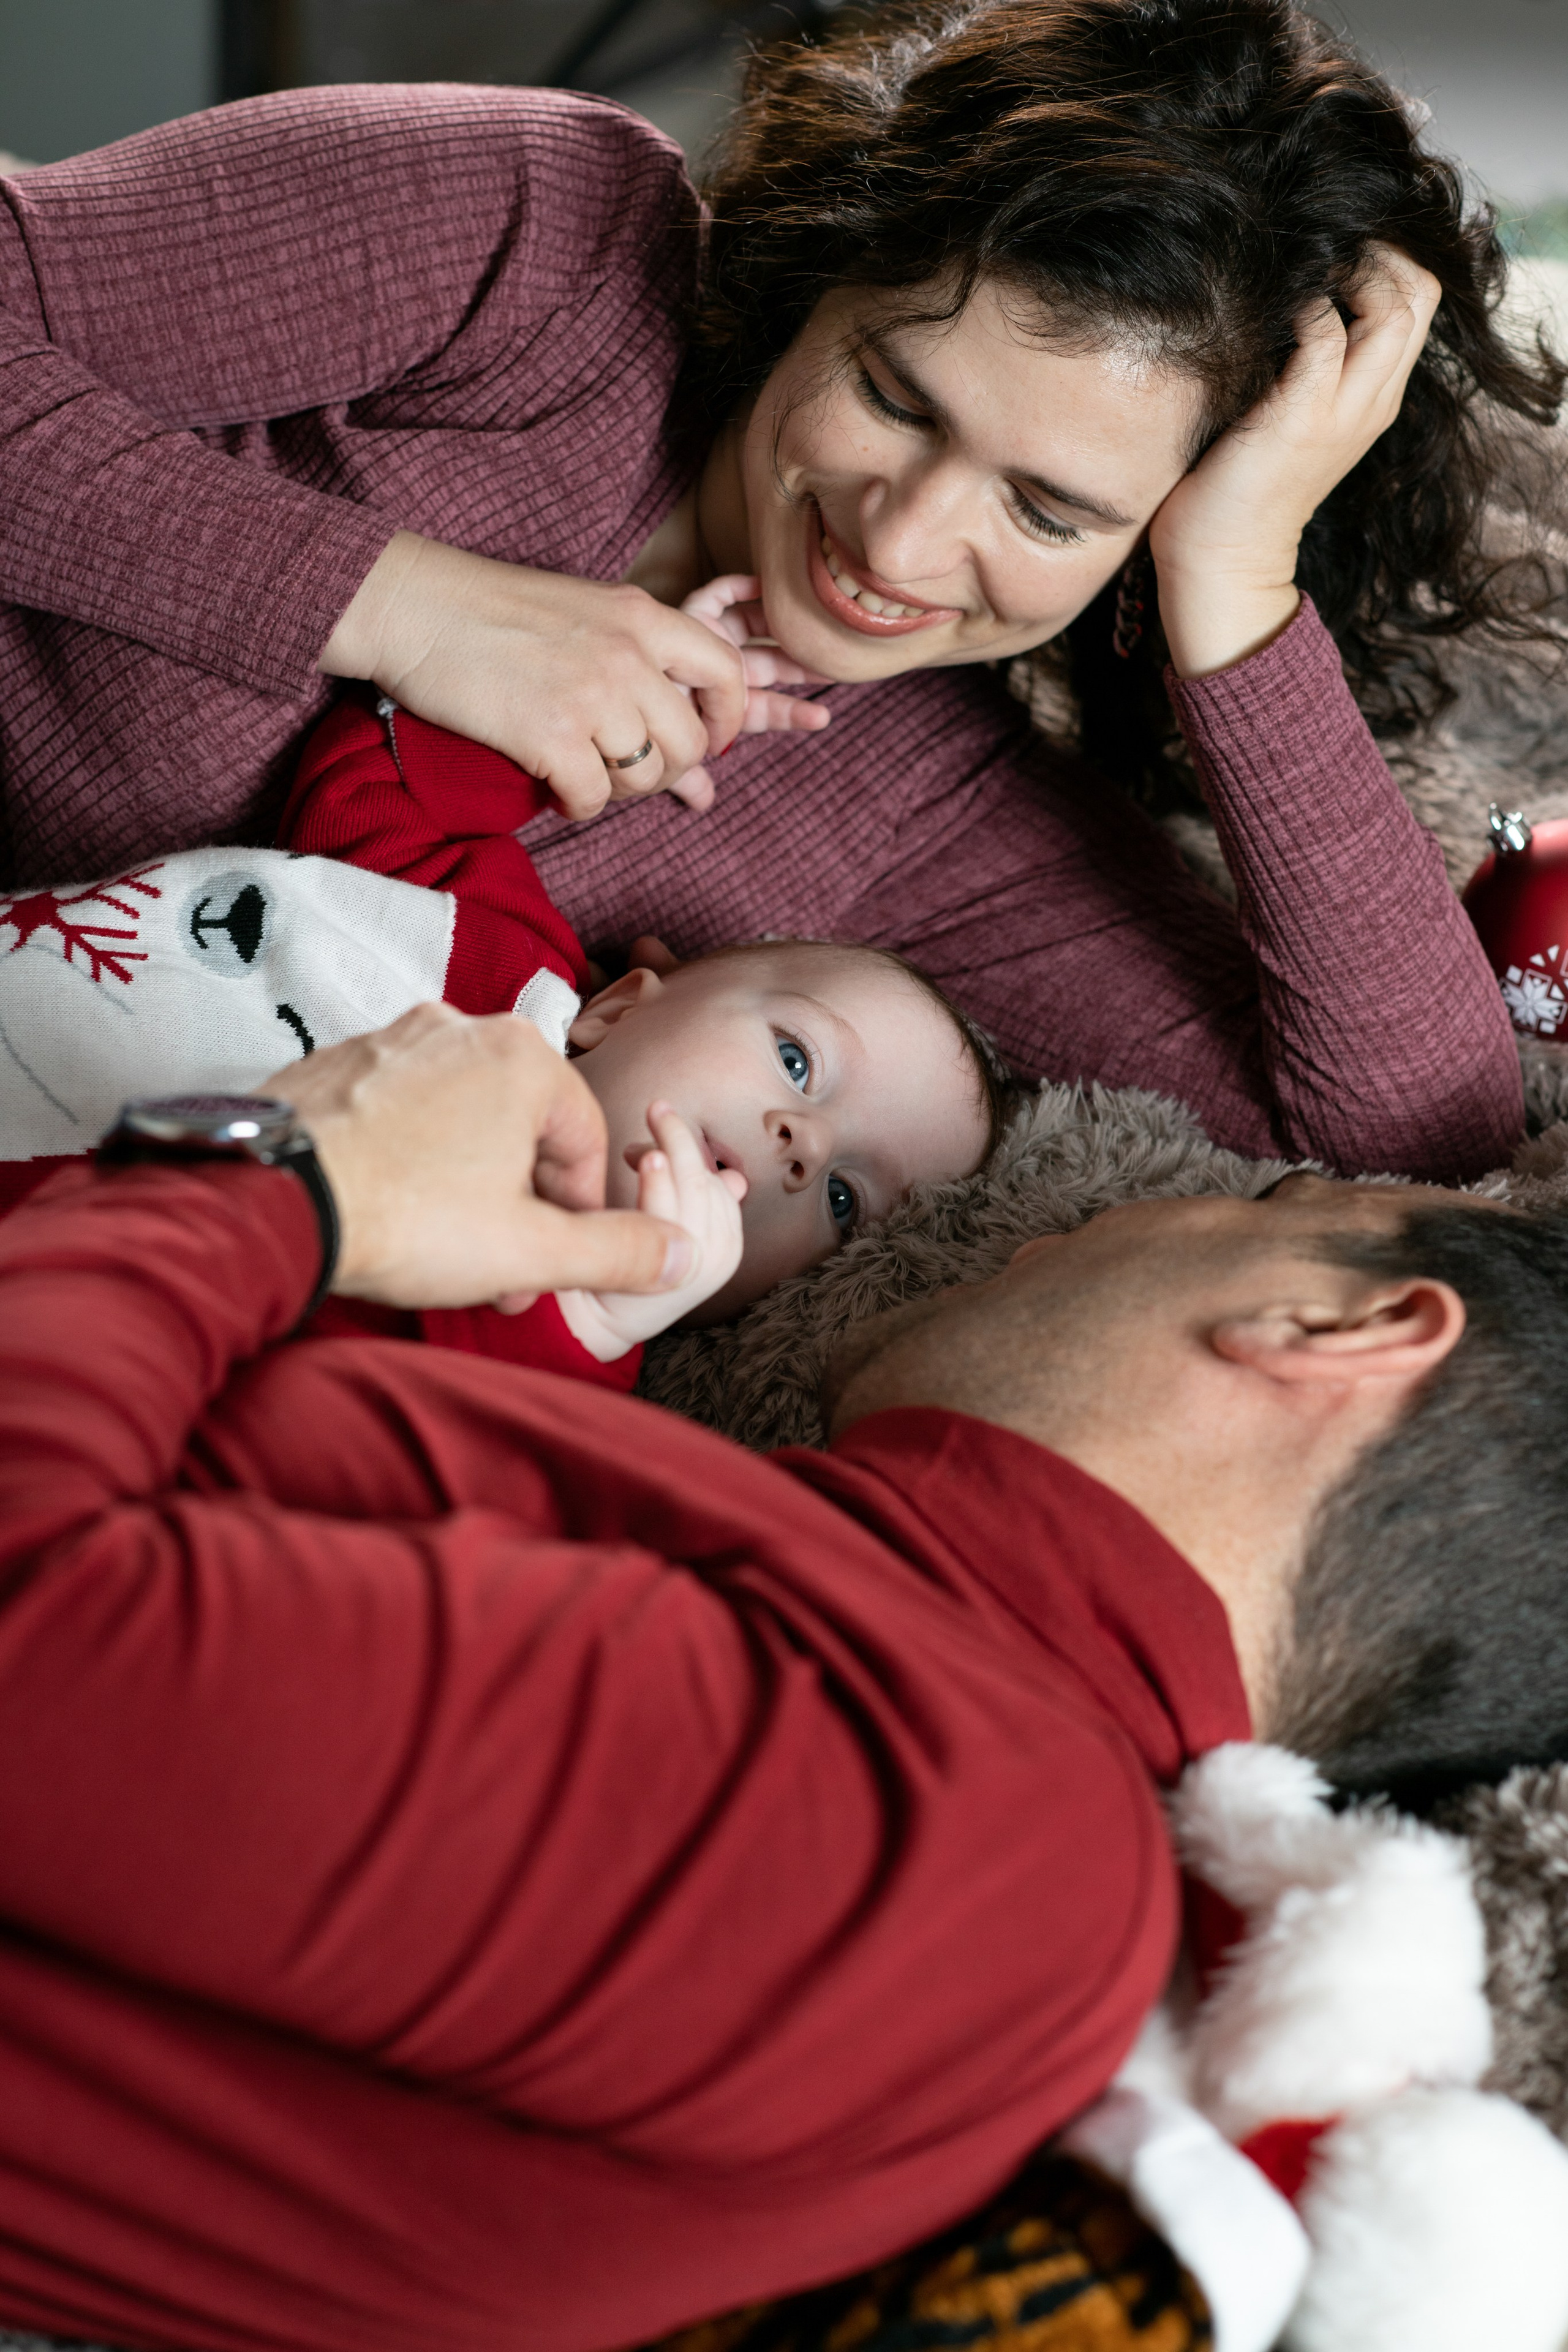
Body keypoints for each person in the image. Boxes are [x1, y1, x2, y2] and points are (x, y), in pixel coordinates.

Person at [1, 1000, 1566, 2352]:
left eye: (1264, 1194)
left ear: (1336, 1326)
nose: (1112, 1204)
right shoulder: (884, 1655)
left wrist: (280, 1166)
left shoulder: (973, 1846)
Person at [2, 0, 1559, 1182]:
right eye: (893, 395)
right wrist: (403, 604)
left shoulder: (931, 825)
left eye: (1048, 507)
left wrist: (1230, 578)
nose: (898, 543)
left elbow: (1416, 1130)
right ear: (820, 268)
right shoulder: (542, 236)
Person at [0, 679, 1003, 1382]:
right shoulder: (501, 955)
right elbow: (370, 781)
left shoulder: (570, 1319)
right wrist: (619, 716)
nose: (803, 1144)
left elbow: (399, 1427)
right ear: (618, 1006)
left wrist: (600, 1319)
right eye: (797, 1060)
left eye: (841, 1197)